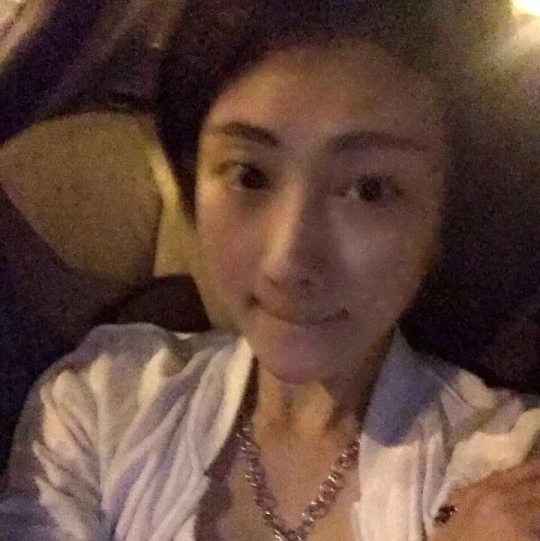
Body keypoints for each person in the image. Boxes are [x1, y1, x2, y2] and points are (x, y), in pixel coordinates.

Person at [1, 1, 539, 540]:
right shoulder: (101, 406)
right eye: (249, 175)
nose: (288, 262)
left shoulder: (502, 459)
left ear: (444, 213)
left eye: (370, 190)